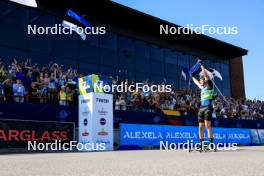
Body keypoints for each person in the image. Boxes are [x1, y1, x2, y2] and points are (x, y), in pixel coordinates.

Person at [192, 64, 214, 150]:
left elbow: (205, 75)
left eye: (201, 80)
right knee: (200, 126)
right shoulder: (202, 87)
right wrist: (192, 76)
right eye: (200, 80)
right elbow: (196, 82)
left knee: (207, 126)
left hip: (208, 107)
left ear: (204, 80)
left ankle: (211, 144)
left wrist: (202, 66)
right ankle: (201, 144)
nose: (200, 81)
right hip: (201, 108)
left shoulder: (209, 85)